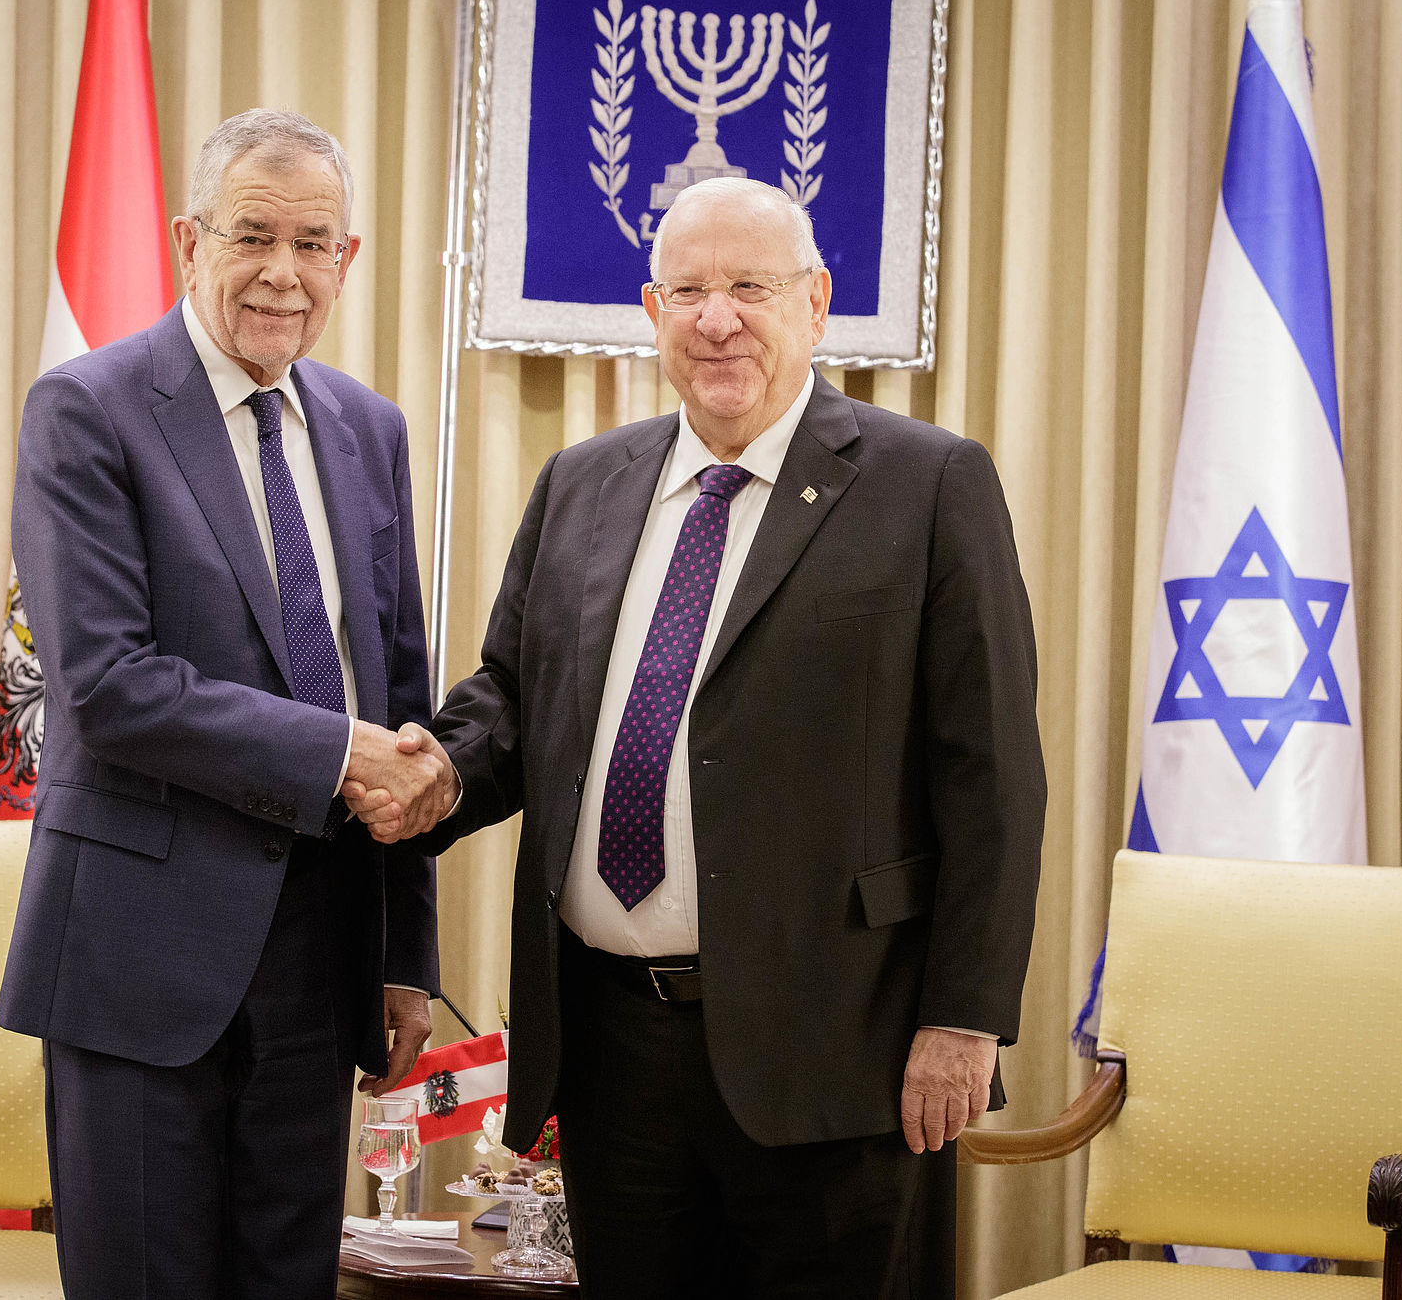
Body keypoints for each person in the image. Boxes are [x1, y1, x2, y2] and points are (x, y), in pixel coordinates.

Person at [349, 176, 1045, 1298]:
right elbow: (516, 699)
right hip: (612, 1052)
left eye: (749, 288)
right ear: (651, 309)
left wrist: (963, 1017)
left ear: (815, 301)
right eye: (688, 292)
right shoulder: (581, 482)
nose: (717, 319)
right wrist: (436, 773)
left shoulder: (928, 483)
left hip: (840, 1048)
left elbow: (992, 776)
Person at [0, 109, 457, 1300]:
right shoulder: (87, 408)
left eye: (313, 244)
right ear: (188, 240)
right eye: (252, 235)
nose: (281, 273)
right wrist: (338, 751)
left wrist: (403, 949)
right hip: (139, 954)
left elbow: (397, 693)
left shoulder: (368, 430)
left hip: (321, 949)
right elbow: (107, 685)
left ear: (348, 259)